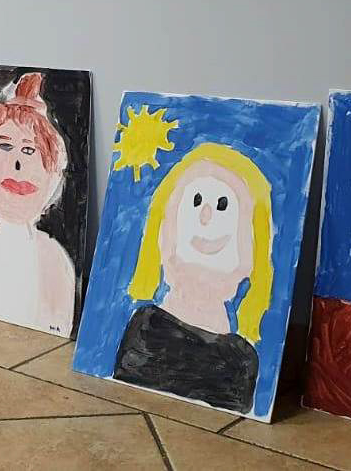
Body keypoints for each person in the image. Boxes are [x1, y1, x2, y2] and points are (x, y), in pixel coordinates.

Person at [114, 142, 274, 415]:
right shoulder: (145, 330)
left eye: (223, 206)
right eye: (196, 201)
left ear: (253, 246)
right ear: (164, 231)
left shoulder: (241, 360)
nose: (206, 217)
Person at [0, 73, 76, 335]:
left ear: (54, 172)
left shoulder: (55, 259)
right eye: (4, 146)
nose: (17, 164)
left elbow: (57, 330)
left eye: (29, 150)